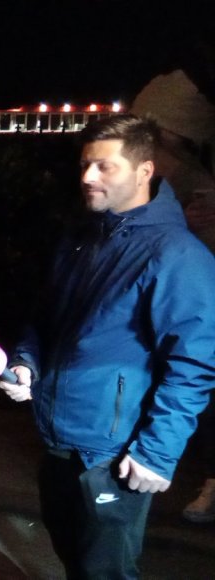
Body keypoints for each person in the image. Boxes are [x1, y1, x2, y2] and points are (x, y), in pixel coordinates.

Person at [0, 114, 215, 578]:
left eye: (104, 166)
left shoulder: (177, 255)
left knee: (106, 572)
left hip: (113, 454)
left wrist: (157, 452)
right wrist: (26, 362)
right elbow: (46, 320)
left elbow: (193, 365)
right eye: (84, 165)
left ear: (144, 171)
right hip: (59, 440)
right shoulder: (81, 238)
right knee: (75, 562)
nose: (87, 177)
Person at [132, 66, 215, 523]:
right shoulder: (159, 169)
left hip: (194, 290)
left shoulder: (188, 170)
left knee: (192, 376)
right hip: (171, 289)